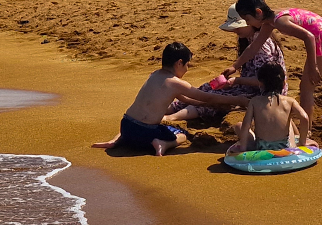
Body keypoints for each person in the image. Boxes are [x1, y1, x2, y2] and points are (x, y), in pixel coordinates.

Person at [93, 42, 248, 156]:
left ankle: (115, 141)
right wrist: (237, 100)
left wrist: (205, 105)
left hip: (125, 126)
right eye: (187, 65)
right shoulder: (176, 83)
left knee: (134, 121)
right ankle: (163, 144)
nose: (187, 69)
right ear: (179, 63)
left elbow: (187, 100)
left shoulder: (154, 74)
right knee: (182, 134)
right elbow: (206, 96)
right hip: (145, 134)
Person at [166, 5, 287, 122]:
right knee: (206, 89)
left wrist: (237, 81)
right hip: (251, 87)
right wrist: (235, 68)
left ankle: (173, 117)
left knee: (216, 98)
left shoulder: (262, 46)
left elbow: (266, 81)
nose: (235, 30)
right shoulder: (252, 39)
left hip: (264, 93)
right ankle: (171, 109)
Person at [228, 63, 315, 154]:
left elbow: (246, 125)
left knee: (239, 126)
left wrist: (243, 149)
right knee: (288, 121)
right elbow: (304, 118)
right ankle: (299, 138)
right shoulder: (290, 101)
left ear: (260, 83)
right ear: (284, 83)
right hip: (285, 147)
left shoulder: (254, 102)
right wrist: (303, 143)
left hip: (262, 147)